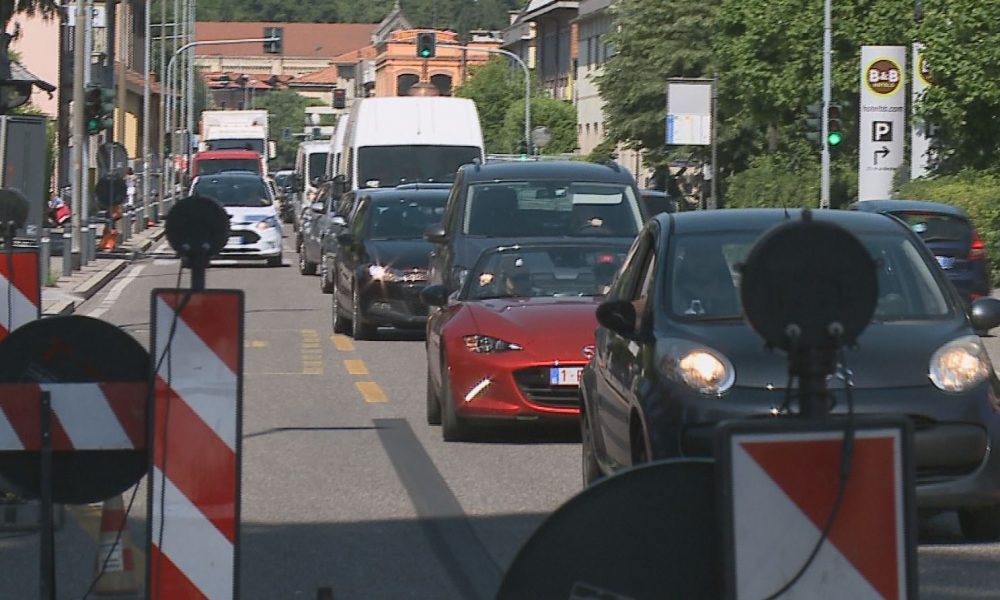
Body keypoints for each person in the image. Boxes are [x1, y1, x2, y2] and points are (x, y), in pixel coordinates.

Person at [672, 246, 739, 317]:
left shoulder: (741, 300)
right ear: (685, 259)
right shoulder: (671, 298)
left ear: (720, 259)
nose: (701, 260)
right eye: (694, 254)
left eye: (708, 253)